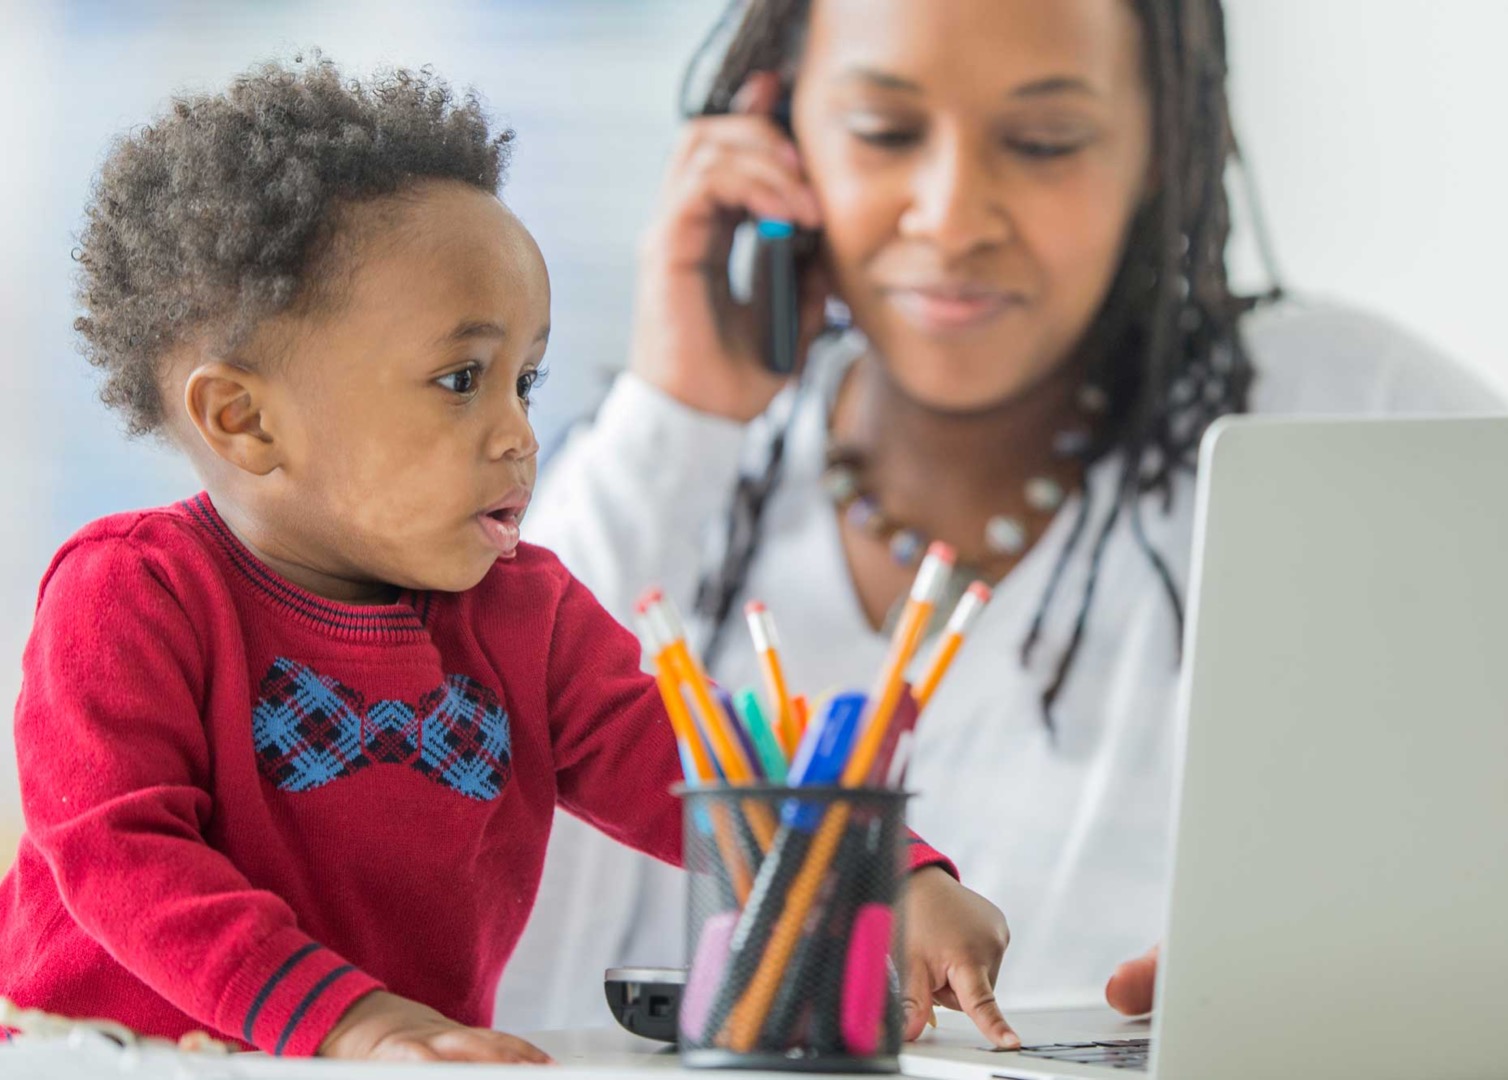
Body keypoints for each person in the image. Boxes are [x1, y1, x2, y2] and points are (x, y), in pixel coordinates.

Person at [505, 0, 1504, 1029]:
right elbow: (493, 972)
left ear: (1160, 142)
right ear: (778, 131)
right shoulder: (674, 472)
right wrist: (677, 419)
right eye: (885, 132)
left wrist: (1366, 981)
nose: (952, 215)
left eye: (1044, 142)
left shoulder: (1347, 416)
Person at [0, 54, 1018, 1060]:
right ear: (244, 419)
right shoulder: (128, 596)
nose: (518, 434)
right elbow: (125, 860)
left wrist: (888, 872)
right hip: (93, 1056)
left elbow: (694, 756)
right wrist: (353, 1024)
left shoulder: (522, 612)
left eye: (524, 381)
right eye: (461, 379)